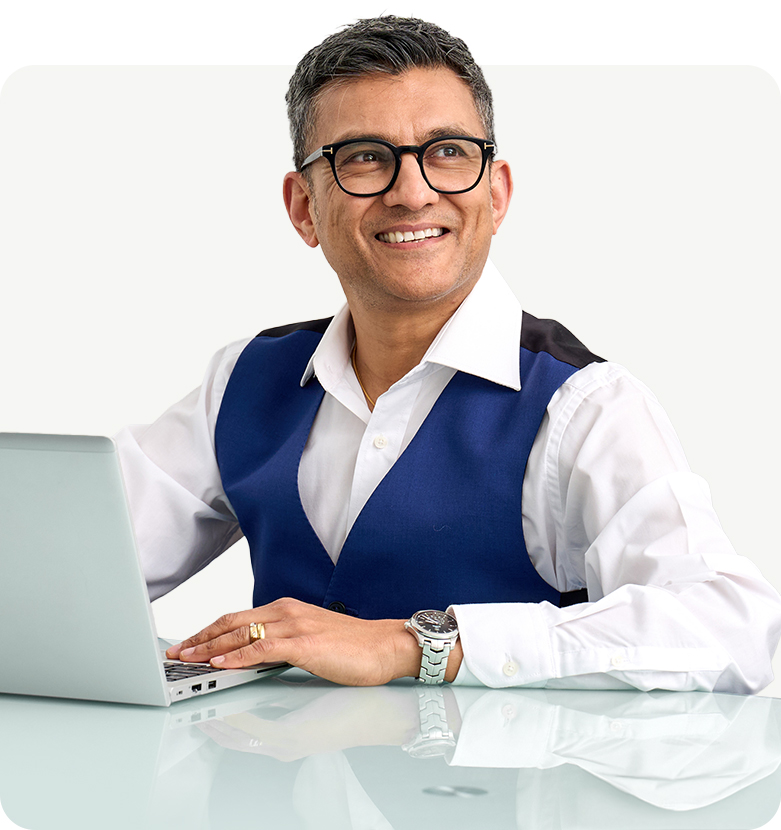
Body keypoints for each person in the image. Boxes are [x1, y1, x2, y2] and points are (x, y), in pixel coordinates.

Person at [116, 16, 781, 692]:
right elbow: (76, 562)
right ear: (303, 209)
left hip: (495, 793)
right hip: (267, 794)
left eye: (448, 152)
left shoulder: (583, 405)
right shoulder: (244, 380)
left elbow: (732, 627)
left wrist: (418, 645)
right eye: (364, 157)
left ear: (494, 195)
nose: (411, 192)